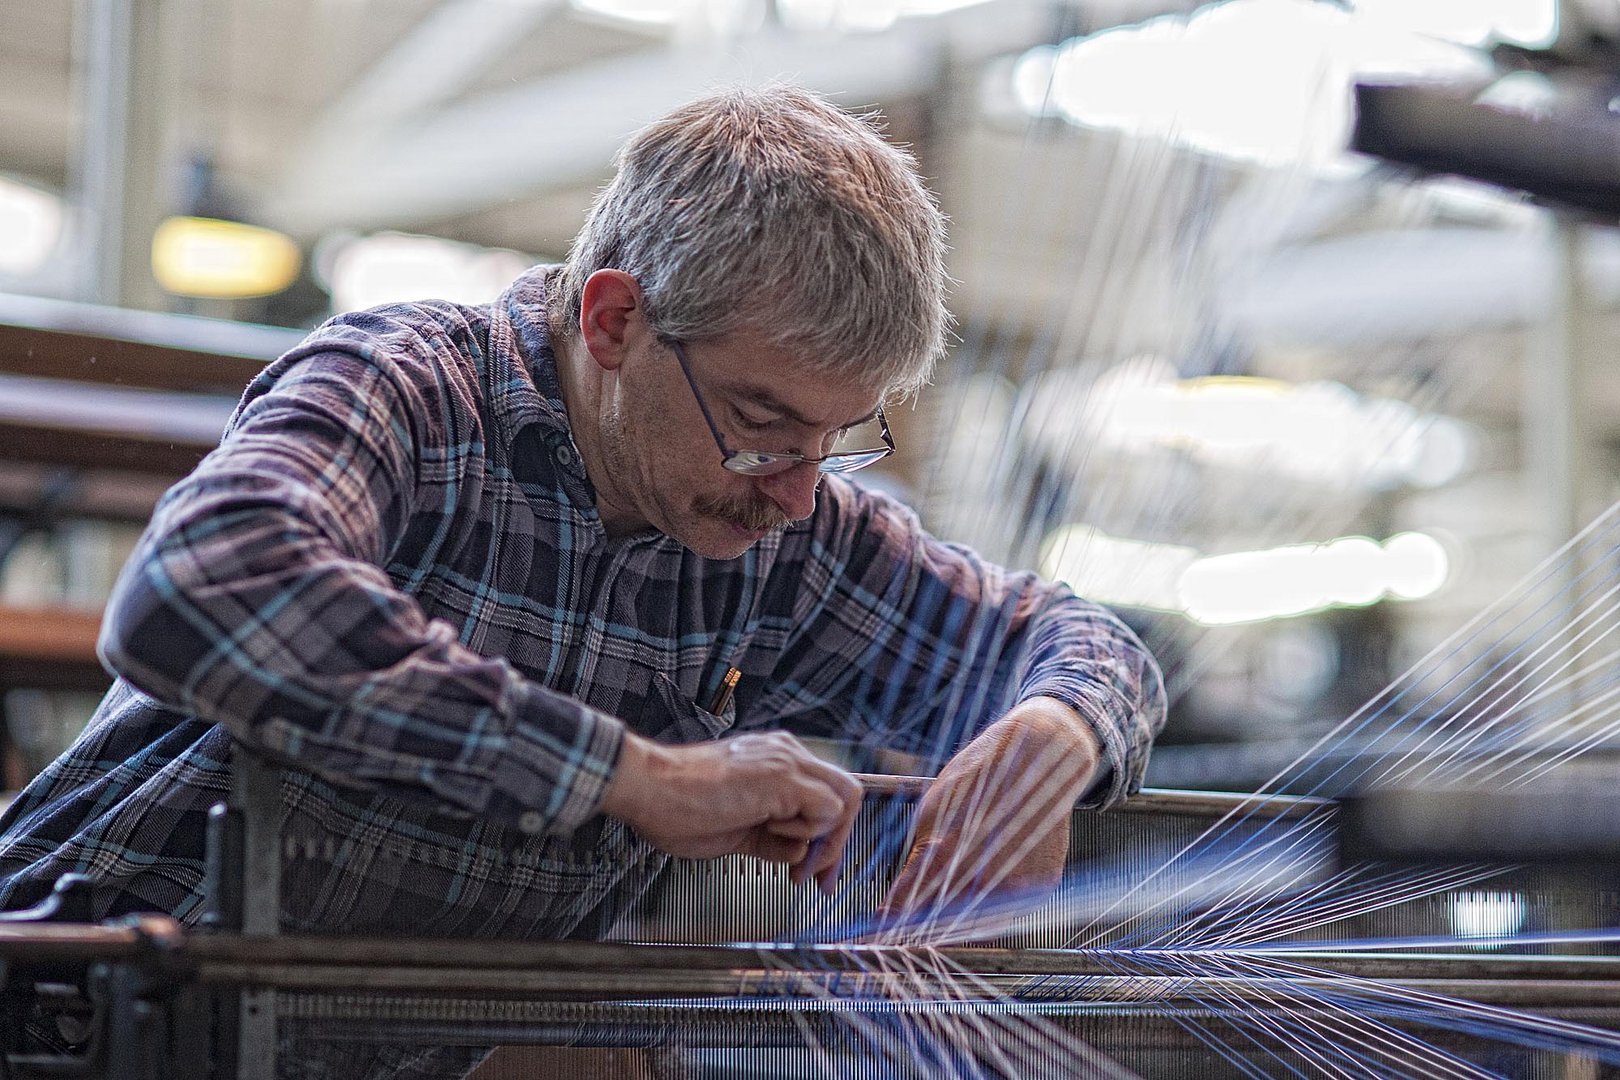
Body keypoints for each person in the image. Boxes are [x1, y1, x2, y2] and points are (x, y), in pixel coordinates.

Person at [0, 84, 1163, 1074]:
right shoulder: (407, 389)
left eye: (839, 438)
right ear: (613, 319)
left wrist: (1052, 739)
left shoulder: (785, 535)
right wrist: (626, 775)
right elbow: (203, 588)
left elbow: (1073, 639)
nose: (797, 491)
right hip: (64, 1010)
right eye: (762, 424)